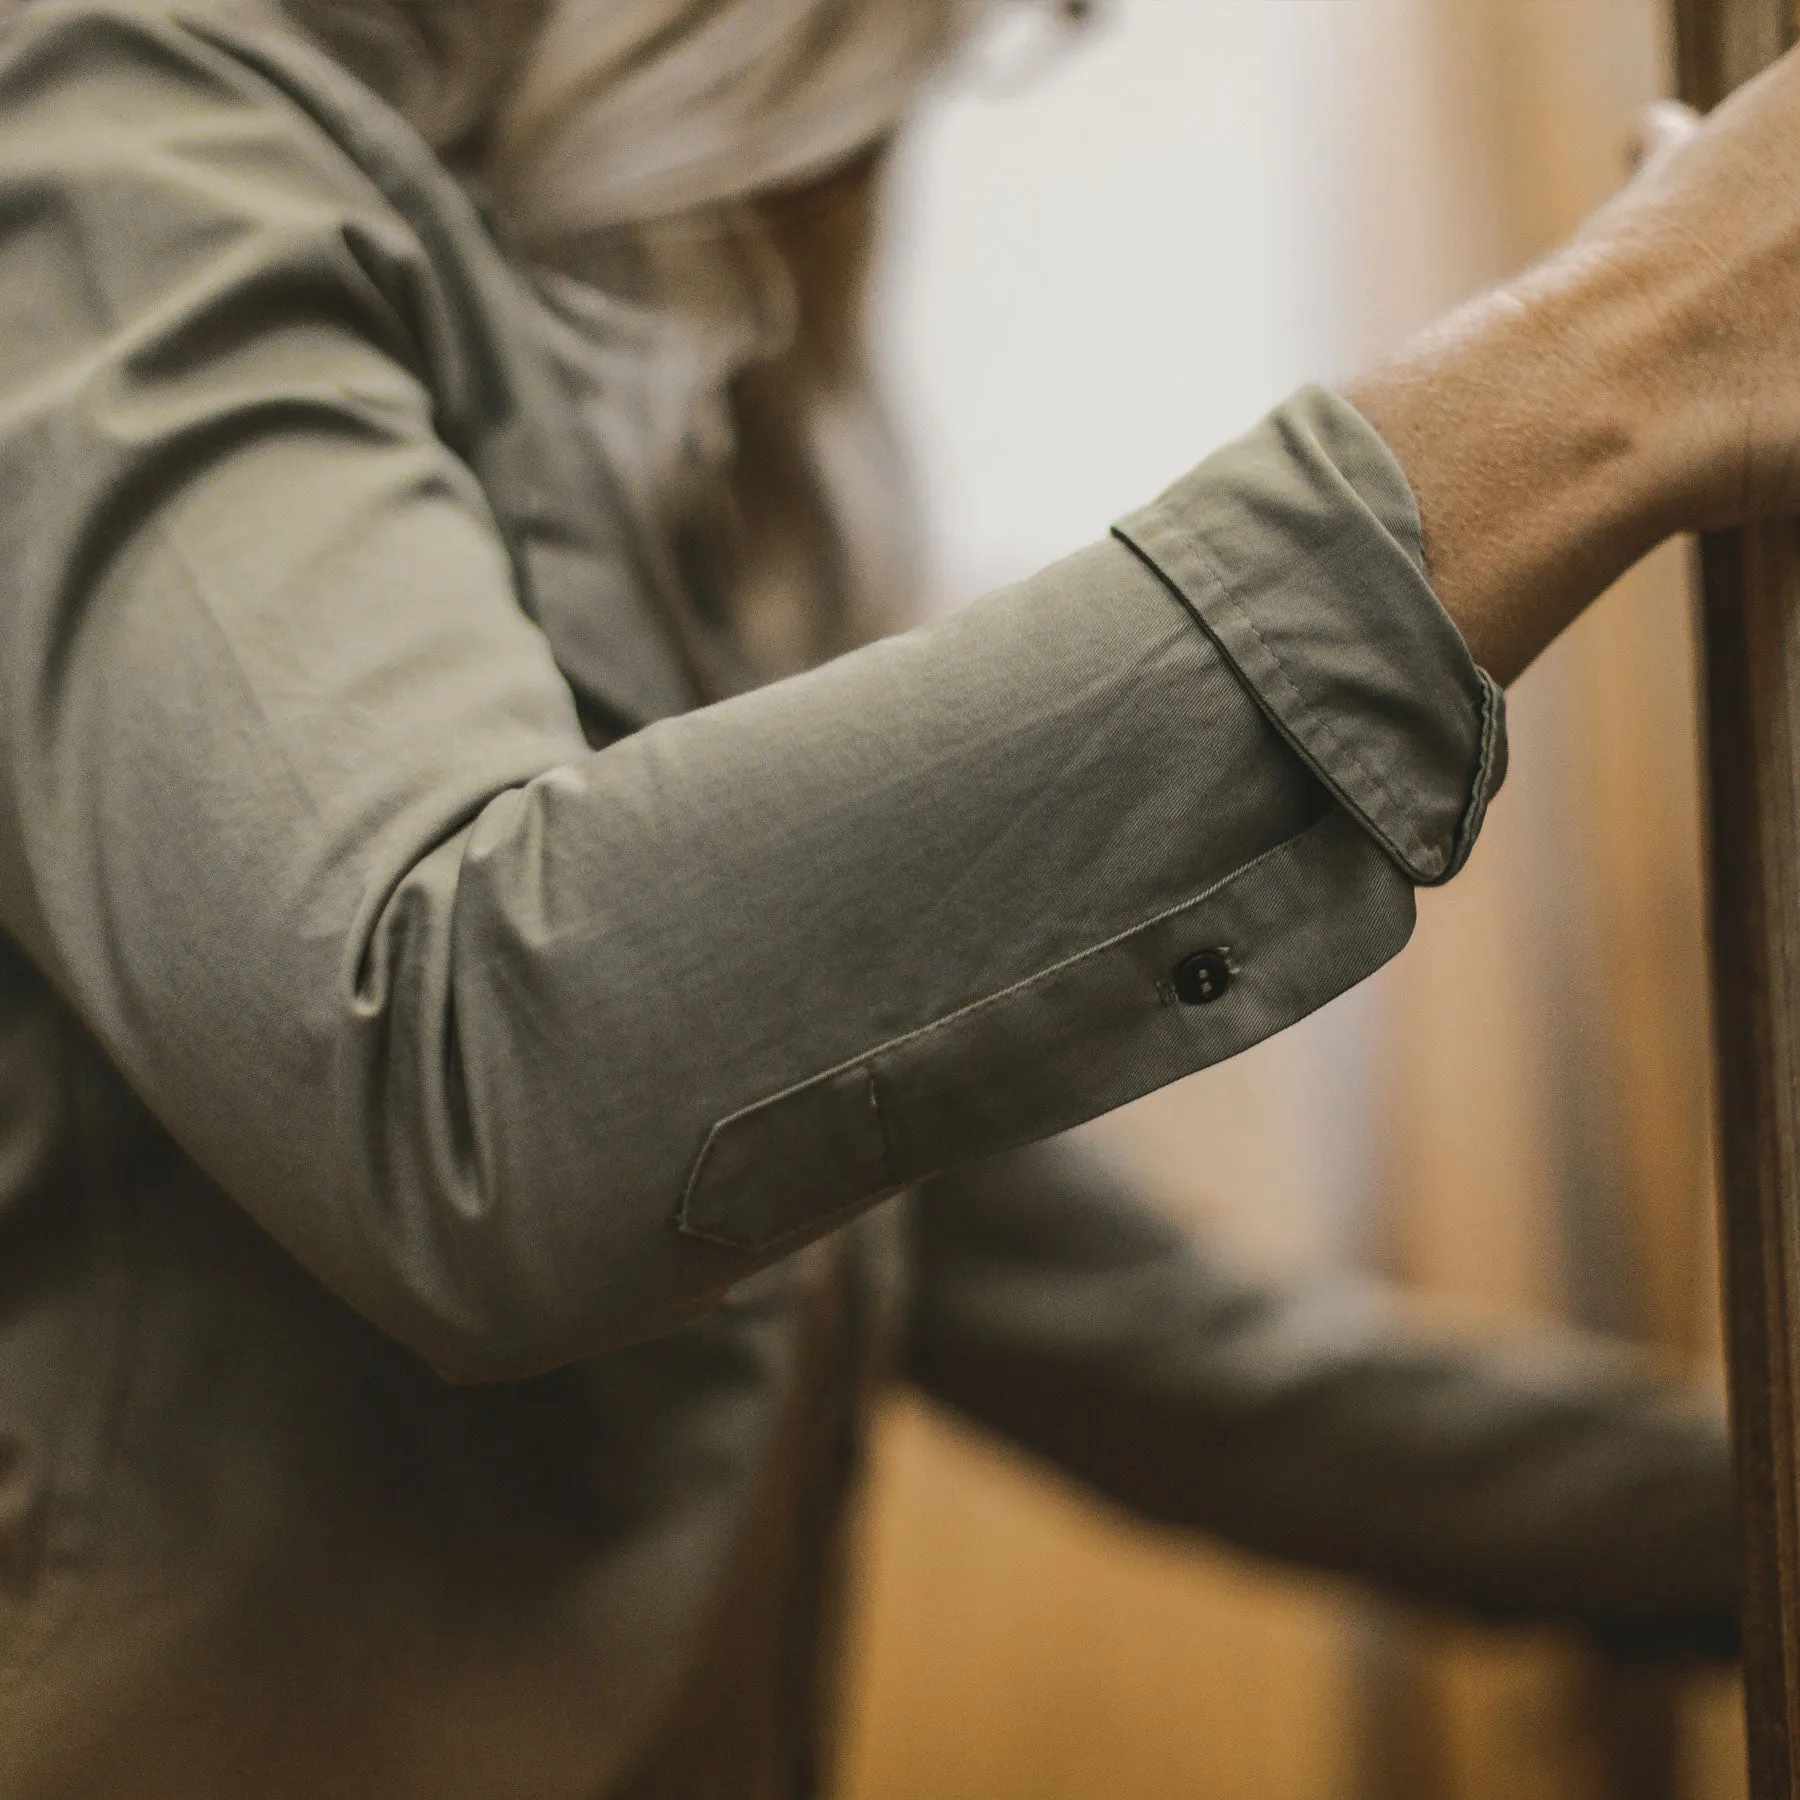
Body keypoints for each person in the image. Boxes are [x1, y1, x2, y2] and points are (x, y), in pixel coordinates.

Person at [0, 0, 1765, 1793]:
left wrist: (1744, 1522)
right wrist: (1606, 368)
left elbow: (1155, 1349)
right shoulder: (109, 123)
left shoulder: (593, 449)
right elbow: (461, 1068)